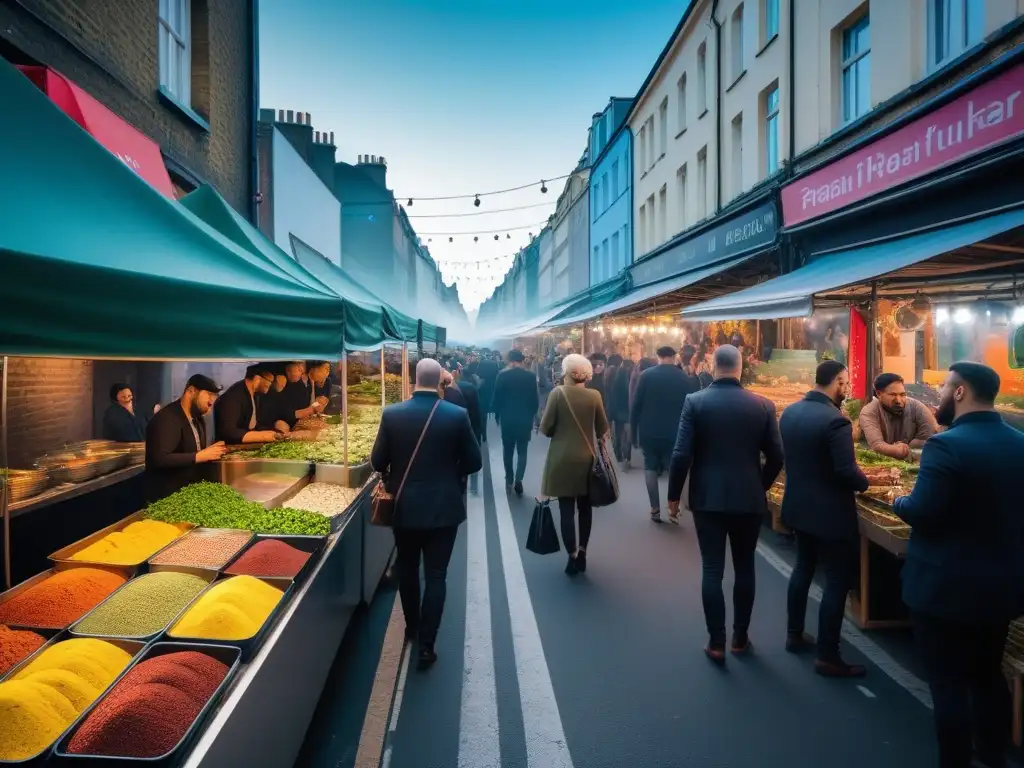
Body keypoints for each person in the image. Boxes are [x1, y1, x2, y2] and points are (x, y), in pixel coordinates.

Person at [893, 362, 1024, 768]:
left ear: (962, 391)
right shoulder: (1019, 443)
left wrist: (900, 500)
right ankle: (992, 756)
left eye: (947, 386)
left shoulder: (946, 445)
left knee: (948, 685)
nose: (940, 395)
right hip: (1000, 587)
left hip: (944, 589)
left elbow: (924, 511)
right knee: (987, 676)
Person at [667, 345, 784, 663]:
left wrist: (674, 496)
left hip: (708, 498)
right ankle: (740, 638)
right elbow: (776, 456)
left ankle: (716, 642)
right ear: (741, 366)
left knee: (712, 569)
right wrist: (760, 486)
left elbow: (681, 454)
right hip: (748, 498)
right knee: (745, 567)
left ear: (714, 365)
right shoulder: (763, 405)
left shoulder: (695, 402)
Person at [370, 358, 482, 670]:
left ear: (414, 379)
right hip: (444, 508)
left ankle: (412, 627)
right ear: (439, 381)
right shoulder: (456, 415)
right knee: (436, 575)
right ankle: (427, 646)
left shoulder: (392, 414)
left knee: (408, 568)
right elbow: (474, 462)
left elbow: (378, 461)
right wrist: (449, 474)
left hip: (405, 506)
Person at [779, 360, 869, 677]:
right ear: (838, 381)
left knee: (802, 569)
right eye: (845, 383)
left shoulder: (790, 413)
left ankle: (793, 634)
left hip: (798, 507)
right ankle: (828, 655)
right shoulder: (836, 421)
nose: (846, 389)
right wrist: (866, 481)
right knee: (836, 581)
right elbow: (846, 471)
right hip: (831, 514)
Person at [539, 353, 610, 577]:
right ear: (587, 373)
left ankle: (571, 555)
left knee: (566, 509)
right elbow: (603, 431)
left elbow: (545, 428)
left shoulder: (557, 394)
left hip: (561, 460)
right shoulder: (595, 396)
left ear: (566, 371)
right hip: (587, 460)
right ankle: (583, 552)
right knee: (585, 509)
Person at [631, 346, 697, 524]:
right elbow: (691, 407)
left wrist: (633, 433)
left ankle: (654, 509)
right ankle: (673, 509)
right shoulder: (685, 378)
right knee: (674, 469)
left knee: (650, 466)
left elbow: (636, 404)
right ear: (674, 357)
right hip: (675, 431)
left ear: (658, 356)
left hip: (649, 430)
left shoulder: (646, 375)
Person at [145, 374, 226, 502]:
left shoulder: (198, 419)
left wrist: (210, 452)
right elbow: (159, 459)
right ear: (191, 391)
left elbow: (193, 452)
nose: (212, 401)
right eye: (209, 394)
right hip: (168, 499)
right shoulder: (167, 419)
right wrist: (200, 456)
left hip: (190, 495)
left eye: (214, 396)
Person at [491, 350, 540, 496]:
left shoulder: (502, 375)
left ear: (511, 361)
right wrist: (534, 417)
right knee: (522, 450)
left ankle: (509, 479)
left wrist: (497, 415)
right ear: (522, 361)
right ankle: (519, 479)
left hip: (507, 419)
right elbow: (534, 399)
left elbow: (497, 396)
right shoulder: (531, 377)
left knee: (508, 450)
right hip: (525, 419)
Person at [858, 372, 938, 459]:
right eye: (893, 395)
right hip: (878, 462)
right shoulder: (869, 411)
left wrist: (908, 448)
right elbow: (876, 445)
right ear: (879, 394)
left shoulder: (918, 408)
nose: (898, 400)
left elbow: (931, 439)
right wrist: (898, 450)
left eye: (902, 394)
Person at [214, 364, 285, 445]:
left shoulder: (255, 395)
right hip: (229, 446)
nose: (271, 383)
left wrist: (276, 432)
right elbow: (228, 431)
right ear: (257, 379)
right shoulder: (234, 396)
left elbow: (253, 425)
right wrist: (261, 436)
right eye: (269, 380)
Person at [609, 359, 634, 469]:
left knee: (618, 435)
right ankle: (626, 458)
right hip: (625, 411)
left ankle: (619, 457)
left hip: (617, 410)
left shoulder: (615, 376)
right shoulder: (627, 377)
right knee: (626, 435)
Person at [475, 353, 501, 432]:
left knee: (482, 408)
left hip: (482, 388)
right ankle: (495, 419)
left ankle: (482, 428)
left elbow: (478, 374)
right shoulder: (495, 364)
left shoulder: (481, 363)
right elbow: (497, 374)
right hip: (492, 387)